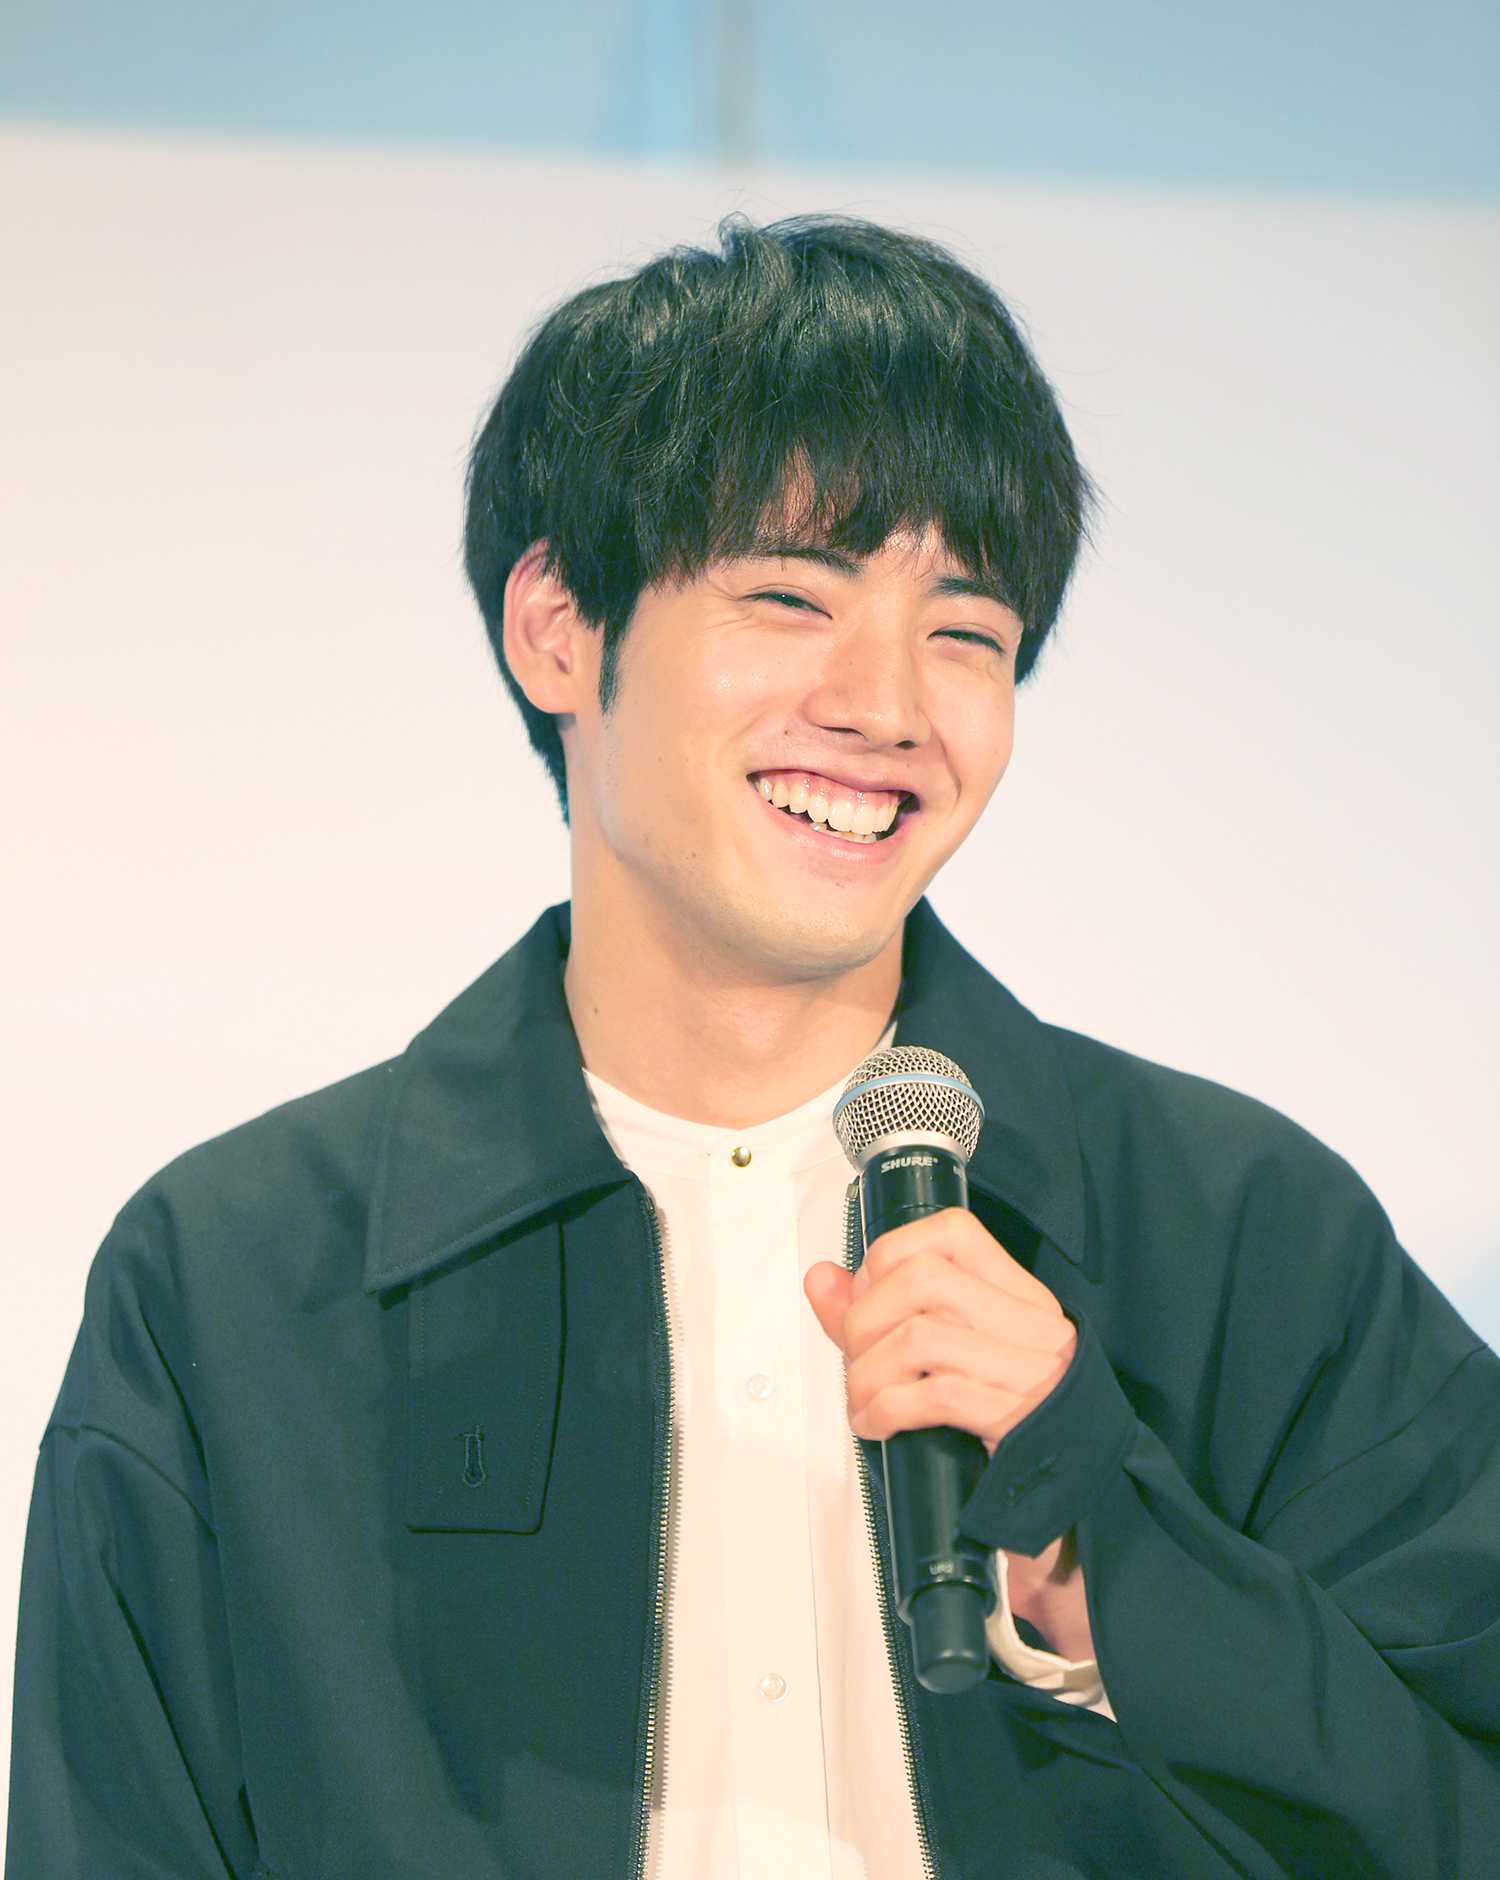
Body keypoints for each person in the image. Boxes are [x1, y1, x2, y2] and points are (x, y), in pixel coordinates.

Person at [7, 216, 1498, 1880]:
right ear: (559, 628)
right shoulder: (234, 1284)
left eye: (966, 633)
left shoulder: (1238, 1235)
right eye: (791, 598)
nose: (886, 706)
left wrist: (1118, 1557)